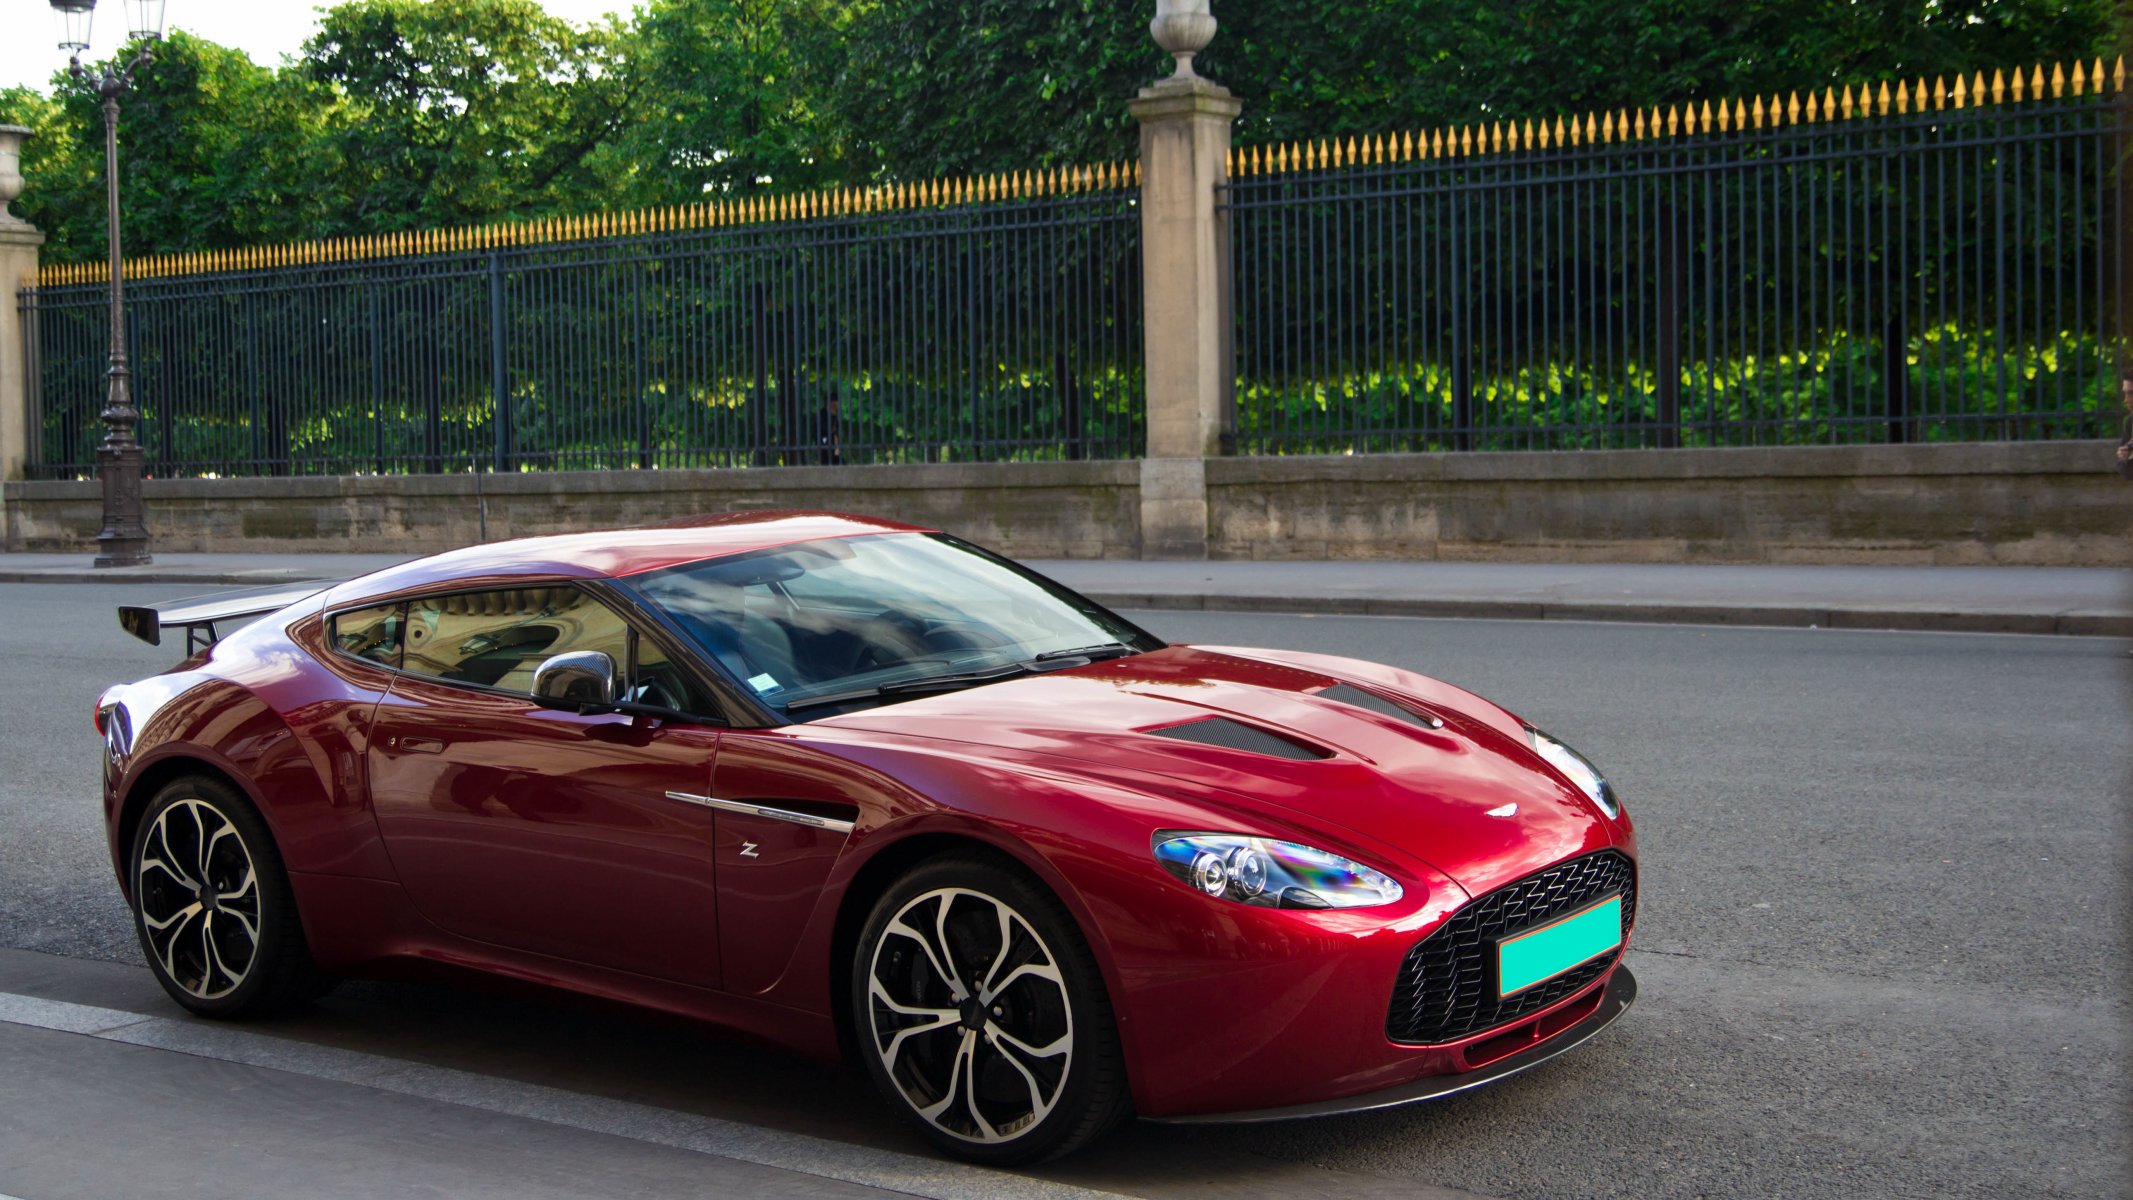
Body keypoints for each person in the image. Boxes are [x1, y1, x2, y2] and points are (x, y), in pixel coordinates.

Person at [2119, 372, 2133, 480]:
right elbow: (2126, 474)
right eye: (2125, 393)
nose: (2126, 400)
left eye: (2131, 393)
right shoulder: (2130, 422)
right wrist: (2124, 458)